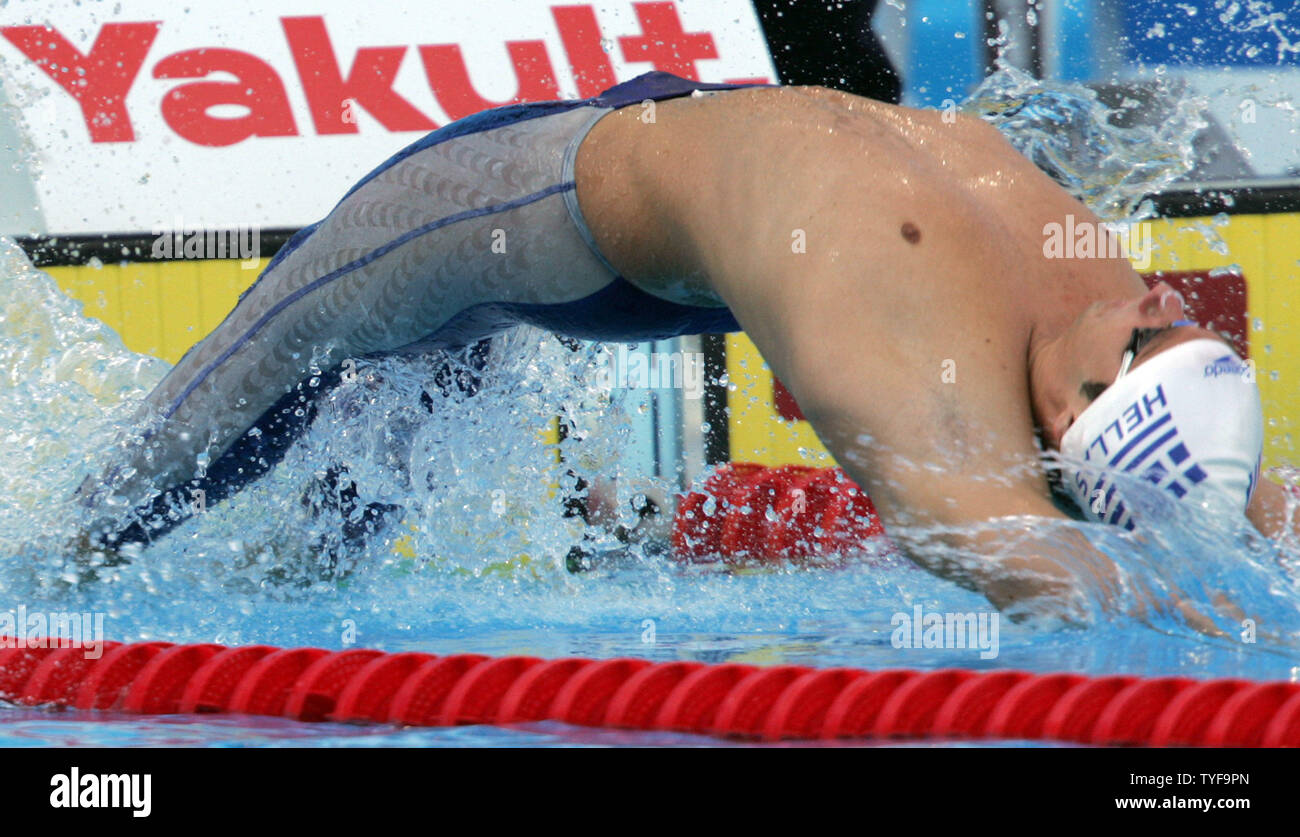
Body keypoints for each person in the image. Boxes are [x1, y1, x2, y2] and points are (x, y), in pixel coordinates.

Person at [70, 71, 1291, 622]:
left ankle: (90, 591)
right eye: (1177, 332)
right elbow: (1235, 508)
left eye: (1142, 353)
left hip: (605, 212)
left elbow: (1003, 544)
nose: (1151, 310)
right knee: (208, 421)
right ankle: (58, 558)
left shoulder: (922, 378)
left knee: (280, 514)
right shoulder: (1094, 316)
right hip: (541, 182)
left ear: (1066, 425)